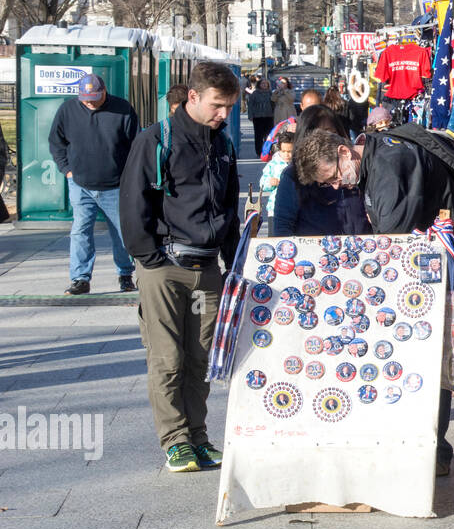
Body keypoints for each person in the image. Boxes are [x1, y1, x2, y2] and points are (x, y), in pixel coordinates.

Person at [295, 124, 454, 476]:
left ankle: (433, 450)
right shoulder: (374, 155)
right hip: (434, 251)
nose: (338, 186)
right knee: (423, 346)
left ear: (343, 152)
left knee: (433, 348)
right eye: (330, 184)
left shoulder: (388, 163)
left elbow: (392, 236)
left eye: (335, 177)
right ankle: (426, 443)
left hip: (449, 253)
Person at [120, 62, 240, 474]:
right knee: (167, 359)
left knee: (200, 361)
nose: (224, 114)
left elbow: (228, 204)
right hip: (164, 268)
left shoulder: (223, 143)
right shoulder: (156, 140)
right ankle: (175, 441)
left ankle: (199, 437)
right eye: (217, 105)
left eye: (228, 106)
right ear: (193, 96)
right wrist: (149, 257)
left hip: (208, 268)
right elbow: (133, 201)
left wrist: (234, 257)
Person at [48, 74, 140, 295]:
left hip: (116, 185)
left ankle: (125, 274)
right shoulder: (67, 110)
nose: (89, 102)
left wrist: (130, 177)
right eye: (85, 98)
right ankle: (80, 278)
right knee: (80, 231)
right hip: (80, 184)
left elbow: (135, 146)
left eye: (94, 97)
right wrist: (67, 170)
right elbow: (56, 142)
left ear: (104, 91)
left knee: (121, 232)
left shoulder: (123, 109)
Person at [271, 106, 369, 236]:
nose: (323, 139)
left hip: (362, 247)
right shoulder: (293, 175)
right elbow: (282, 225)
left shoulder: (353, 164)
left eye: (329, 132)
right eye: (315, 134)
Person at [259, 128, 294, 224]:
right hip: (275, 209)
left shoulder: (299, 164)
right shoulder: (273, 165)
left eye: (290, 151)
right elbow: (262, 183)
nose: (286, 154)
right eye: (283, 151)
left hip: (296, 208)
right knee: (275, 237)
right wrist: (270, 182)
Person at [247, 77, 275, 154]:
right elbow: (250, 105)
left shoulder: (271, 93)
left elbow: (274, 104)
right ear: (259, 84)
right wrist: (250, 115)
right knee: (258, 135)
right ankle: (259, 151)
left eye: (266, 83)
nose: (264, 85)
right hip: (258, 117)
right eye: (263, 83)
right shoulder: (255, 94)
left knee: (268, 135)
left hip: (269, 116)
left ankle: (268, 151)